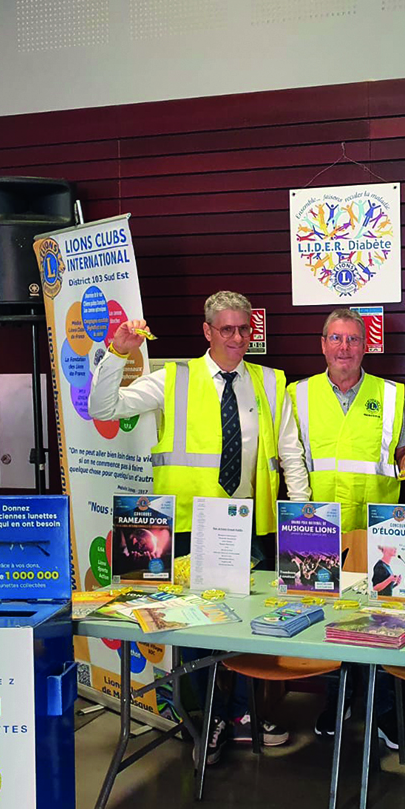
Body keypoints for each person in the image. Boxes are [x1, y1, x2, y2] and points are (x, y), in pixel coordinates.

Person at [89, 290, 311, 759]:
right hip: (187, 527)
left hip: (251, 526)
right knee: (194, 631)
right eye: (226, 329)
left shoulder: (272, 382)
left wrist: (301, 514)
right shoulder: (171, 377)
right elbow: (102, 409)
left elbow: (289, 452)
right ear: (207, 331)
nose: (236, 338)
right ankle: (205, 720)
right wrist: (117, 352)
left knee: (250, 625)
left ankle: (244, 712)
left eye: (244, 329)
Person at [287, 308, 405, 752]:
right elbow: (292, 459)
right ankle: (338, 699)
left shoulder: (389, 394)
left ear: (365, 345)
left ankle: (384, 711)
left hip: (381, 527)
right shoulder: (299, 394)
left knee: (385, 619)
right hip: (318, 527)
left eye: (352, 340)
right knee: (327, 616)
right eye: (335, 339)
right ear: (323, 344)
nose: (344, 348)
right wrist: (303, 511)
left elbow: (404, 446)